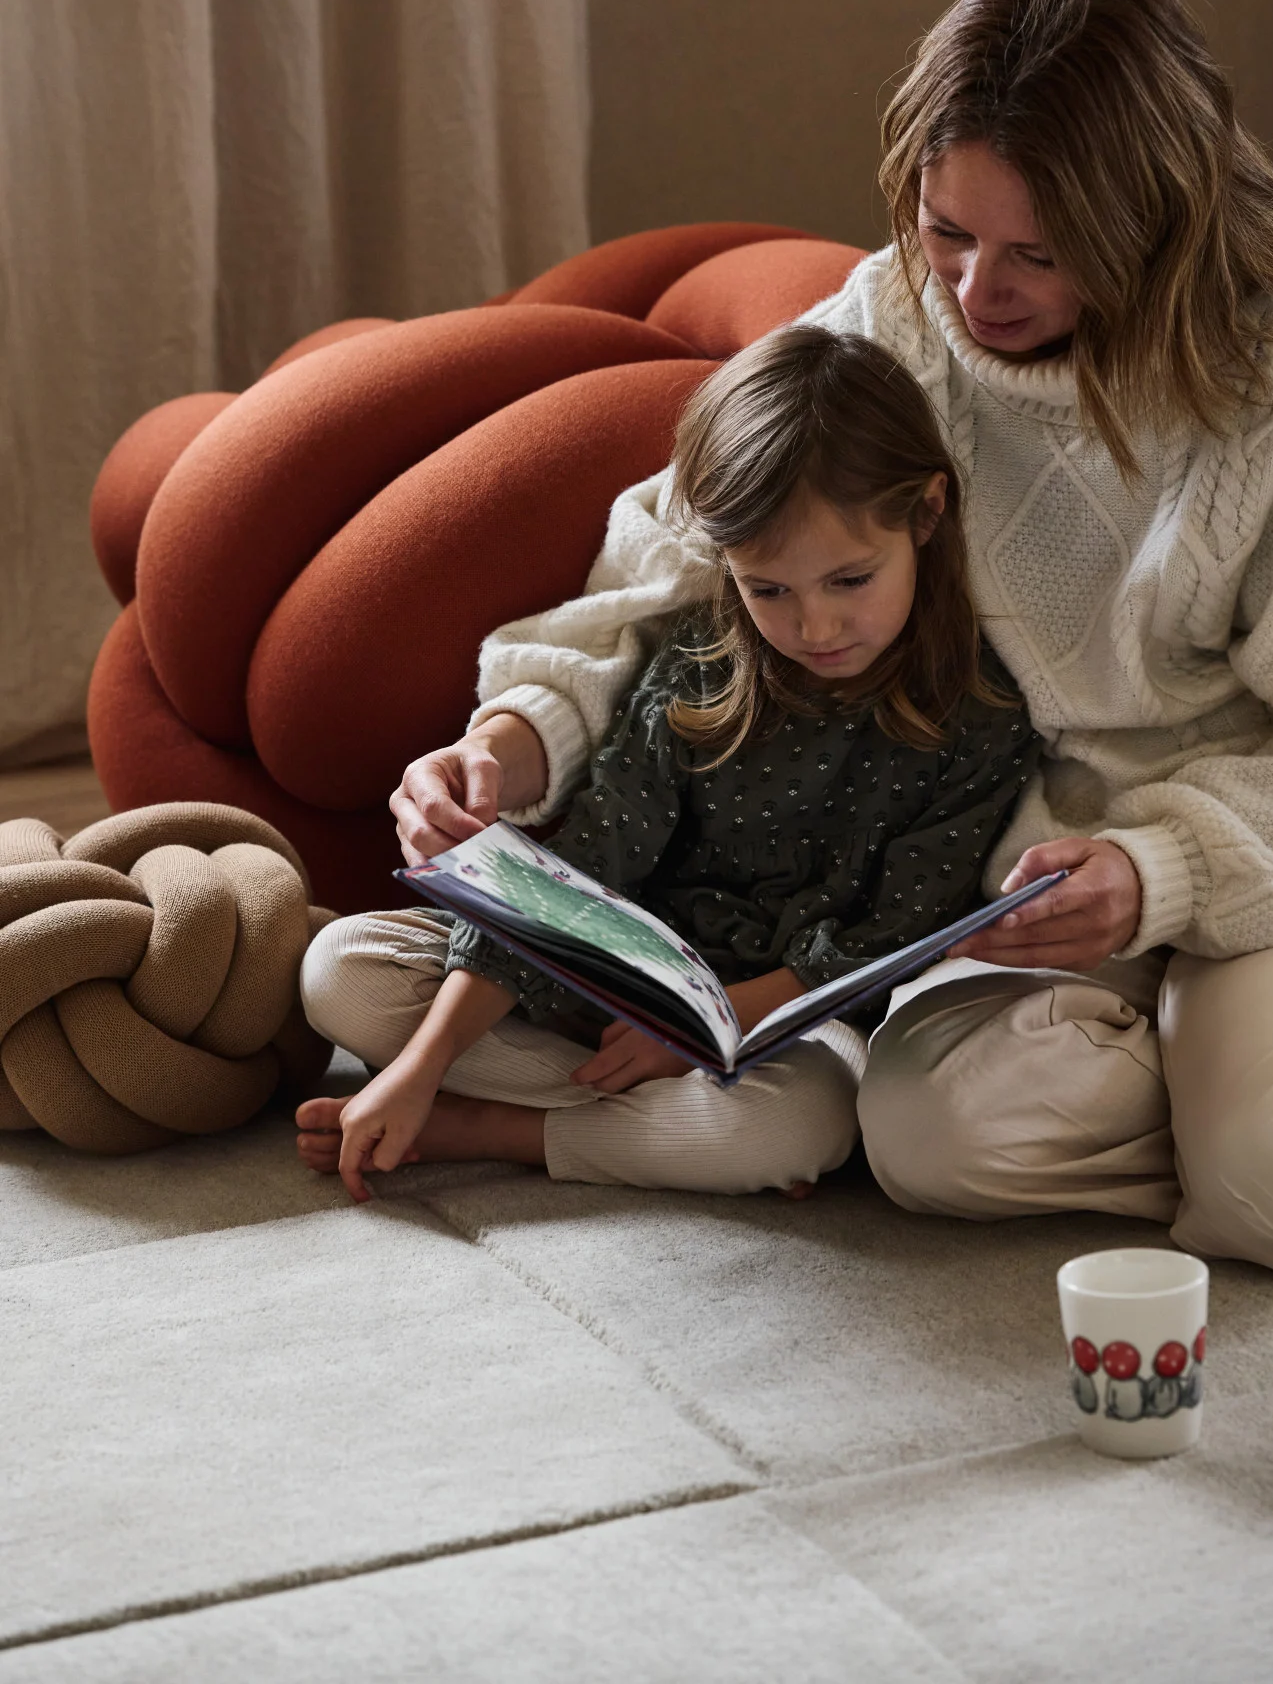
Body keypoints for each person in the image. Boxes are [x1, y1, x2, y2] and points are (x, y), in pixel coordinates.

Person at [389, 0, 1273, 1278]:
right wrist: (515, 735)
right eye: (947, 231)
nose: (975, 295)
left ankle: (1240, 1108)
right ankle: (1188, 1101)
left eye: (1038, 253)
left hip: (1251, 858)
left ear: (1155, 217)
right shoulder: (895, 312)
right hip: (988, 889)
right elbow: (679, 557)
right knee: (929, 1147)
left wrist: (1162, 876)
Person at [296, 329, 1041, 1201]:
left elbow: (893, 939)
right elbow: (583, 868)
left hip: (782, 1030)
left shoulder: (979, 716)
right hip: (607, 996)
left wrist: (706, 1029)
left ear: (925, 514)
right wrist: (423, 1063)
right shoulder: (699, 664)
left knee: (805, 1123)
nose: (815, 628)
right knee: (340, 967)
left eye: (849, 579)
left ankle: (504, 1130)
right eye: (769, 590)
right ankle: (632, 1127)